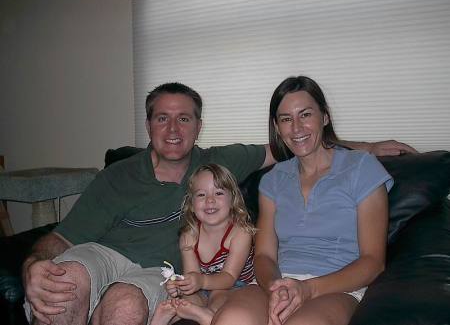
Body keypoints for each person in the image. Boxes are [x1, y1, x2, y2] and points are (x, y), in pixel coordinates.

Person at [22, 81, 415, 325]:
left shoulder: (220, 162)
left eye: (184, 119)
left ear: (199, 127)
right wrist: (34, 265)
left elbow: (298, 145)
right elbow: (62, 239)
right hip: (110, 255)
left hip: (160, 275)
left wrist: (368, 147)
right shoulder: (117, 175)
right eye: (162, 119)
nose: (173, 130)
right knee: (63, 279)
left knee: (124, 302)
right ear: (148, 125)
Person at [211, 76, 394, 325]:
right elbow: (264, 255)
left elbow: (373, 262)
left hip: (336, 286)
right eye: (286, 119)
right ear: (277, 127)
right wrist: (277, 287)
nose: (296, 128)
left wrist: (308, 289)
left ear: (324, 117)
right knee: (231, 319)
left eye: (305, 114)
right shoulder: (273, 180)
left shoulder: (362, 168)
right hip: (279, 283)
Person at [151, 164, 256, 325]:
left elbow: (228, 278)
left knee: (219, 296)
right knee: (185, 299)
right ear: (191, 204)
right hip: (204, 287)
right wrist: (181, 285)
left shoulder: (241, 233)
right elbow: (192, 273)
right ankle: (169, 316)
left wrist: (201, 281)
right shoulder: (189, 236)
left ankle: (208, 315)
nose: (210, 200)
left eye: (219, 193)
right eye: (201, 195)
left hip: (237, 287)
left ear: (233, 199)